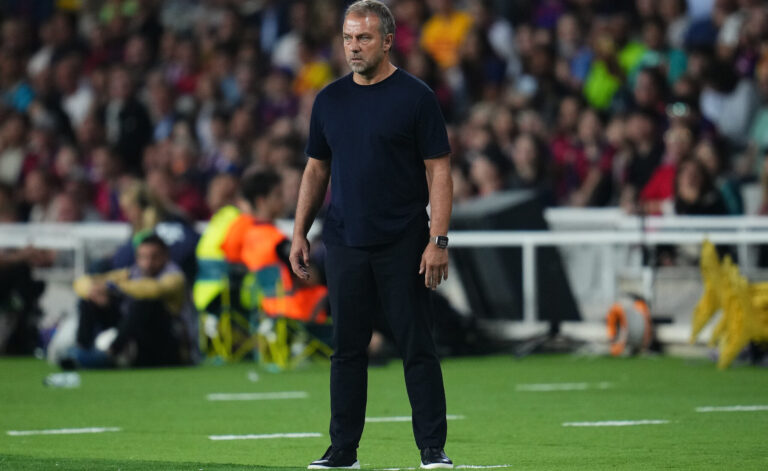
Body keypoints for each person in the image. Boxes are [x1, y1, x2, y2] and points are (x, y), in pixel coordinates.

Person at [290, 1, 454, 468]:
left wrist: (438, 240)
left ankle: (432, 450)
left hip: (403, 240)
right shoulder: (329, 100)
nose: (353, 46)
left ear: (387, 41)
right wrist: (299, 231)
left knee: (416, 346)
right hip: (343, 240)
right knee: (346, 349)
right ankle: (343, 450)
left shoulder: (417, 97)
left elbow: (439, 172)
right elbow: (316, 169)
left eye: (363, 38)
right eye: (347, 37)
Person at [68, 234, 191, 368]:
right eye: (143, 257)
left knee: (146, 303)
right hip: (135, 334)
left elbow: (155, 289)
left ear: (165, 256)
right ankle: (81, 351)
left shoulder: (175, 276)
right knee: (90, 300)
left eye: (154, 257)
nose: (148, 263)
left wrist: (114, 286)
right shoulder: (131, 273)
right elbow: (82, 282)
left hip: (164, 341)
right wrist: (94, 291)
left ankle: (110, 353)